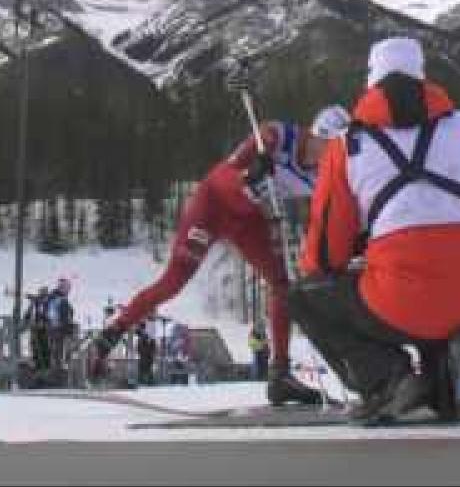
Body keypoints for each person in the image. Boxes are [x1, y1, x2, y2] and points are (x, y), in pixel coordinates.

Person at [289, 37, 460, 427]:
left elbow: (324, 261)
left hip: (398, 304)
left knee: (304, 297)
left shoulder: (346, 147)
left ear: (371, 83)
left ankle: (388, 381)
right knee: (446, 405)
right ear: (423, 78)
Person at [88, 103, 352, 406]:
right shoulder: (278, 136)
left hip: (249, 220)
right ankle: (112, 333)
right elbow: (227, 172)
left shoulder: (323, 174)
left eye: (339, 150)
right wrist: (250, 175)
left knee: (282, 286)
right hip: (212, 205)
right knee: (173, 283)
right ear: (316, 135)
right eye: (329, 147)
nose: (330, 156)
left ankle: (279, 375)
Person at [44, 278, 75, 376]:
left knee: (58, 351)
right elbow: (53, 315)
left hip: (57, 329)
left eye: (69, 288)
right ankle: (58, 371)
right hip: (58, 329)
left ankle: (59, 369)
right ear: (62, 287)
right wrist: (63, 326)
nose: (69, 290)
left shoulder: (54, 298)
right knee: (58, 351)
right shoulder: (56, 299)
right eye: (67, 288)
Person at [25, 286, 51, 373]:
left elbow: (50, 317)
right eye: (42, 294)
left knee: (45, 349)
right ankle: (38, 367)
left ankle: (46, 368)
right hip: (35, 330)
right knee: (35, 349)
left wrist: (45, 323)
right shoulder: (34, 304)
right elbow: (27, 316)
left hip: (45, 331)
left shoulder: (48, 305)